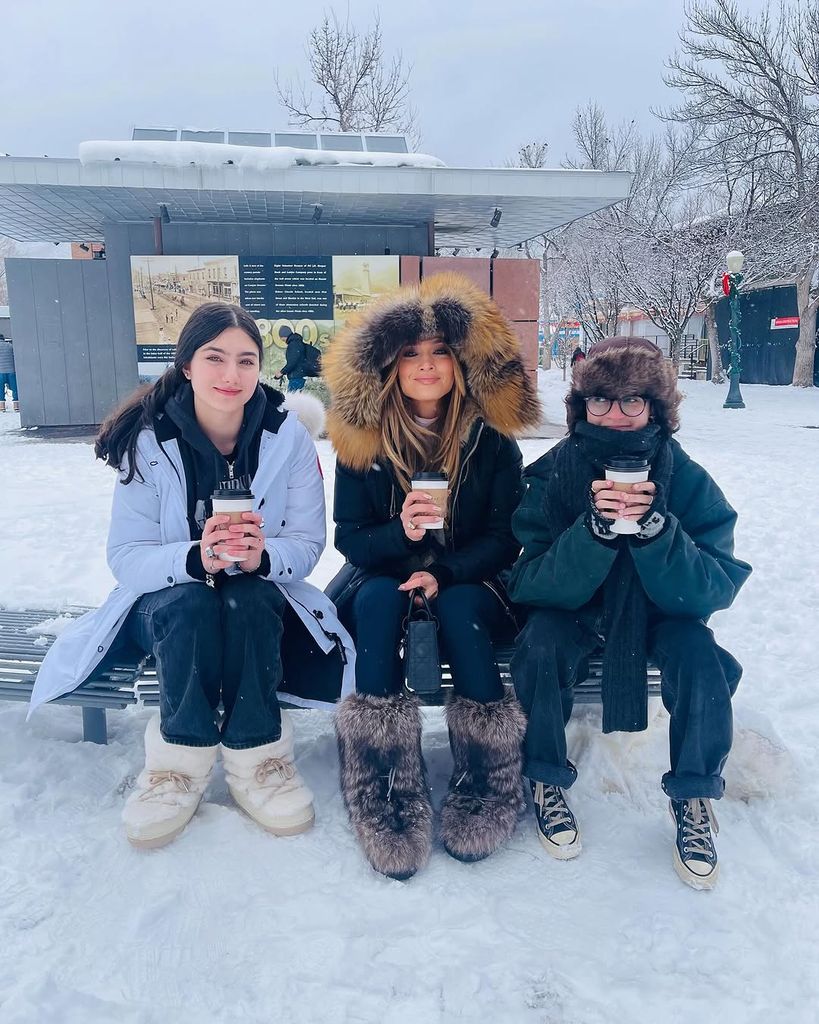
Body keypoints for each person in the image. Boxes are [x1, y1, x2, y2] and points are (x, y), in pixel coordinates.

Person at [29, 302, 354, 848]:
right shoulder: (150, 440)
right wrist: (191, 560)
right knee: (191, 603)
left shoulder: (287, 437)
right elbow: (127, 555)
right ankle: (175, 768)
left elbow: (306, 542)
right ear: (186, 366)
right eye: (215, 358)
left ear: (261, 369)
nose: (231, 375)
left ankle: (259, 760)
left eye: (246, 361)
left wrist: (262, 556)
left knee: (249, 597)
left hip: (258, 595)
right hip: (164, 601)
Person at [508, 337, 751, 890]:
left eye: (631, 401)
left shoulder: (684, 476)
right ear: (581, 407)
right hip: (574, 612)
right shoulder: (550, 475)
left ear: (655, 408)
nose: (614, 415)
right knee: (540, 645)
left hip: (660, 613)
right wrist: (591, 534)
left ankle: (693, 795)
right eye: (600, 401)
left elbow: (712, 587)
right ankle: (545, 778)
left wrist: (655, 533)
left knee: (698, 656)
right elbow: (530, 583)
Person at [324, 273, 541, 880]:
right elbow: (351, 537)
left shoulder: (490, 439)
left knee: (458, 610)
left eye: (440, 351)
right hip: (385, 572)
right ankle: (383, 781)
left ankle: (486, 774)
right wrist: (403, 535)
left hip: (473, 579)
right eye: (411, 353)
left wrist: (444, 570)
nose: (425, 364)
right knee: (375, 606)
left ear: (459, 361)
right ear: (389, 365)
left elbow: (506, 536)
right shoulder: (361, 441)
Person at [0, 334, 18, 412]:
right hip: (11, 371)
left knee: (0, 389)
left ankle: (2, 407)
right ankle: (16, 406)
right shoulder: (10, 346)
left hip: (0, 372)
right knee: (15, 389)